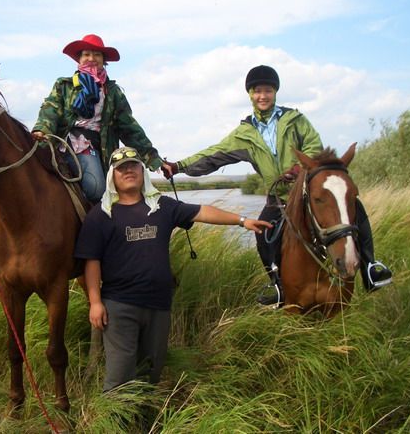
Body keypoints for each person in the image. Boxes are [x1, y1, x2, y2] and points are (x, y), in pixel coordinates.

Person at [162, 65, 392, 306]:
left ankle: (370, 267)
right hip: (278, 199)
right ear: (250, 94)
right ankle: (277, 285)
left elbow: (314, 146)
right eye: (257, 90)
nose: (263, 96)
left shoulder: (295, 120)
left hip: (306, 190)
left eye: (268, 90)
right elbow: (213, 154)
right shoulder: (244, 134)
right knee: (263, 233)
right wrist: (178, 166)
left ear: (275, 93)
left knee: (356, 211)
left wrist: (298, 168)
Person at [75, 146, 271, 391]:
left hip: (158, 305)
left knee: (150, 372)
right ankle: (115, 423)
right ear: (112, 176)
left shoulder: (161, 207)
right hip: (119, 306)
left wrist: (242, 221)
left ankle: (145, 423)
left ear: (142, 171)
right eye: (121, 168)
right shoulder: (102, 215)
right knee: (119, 379)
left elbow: (202, 212)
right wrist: (95, 302)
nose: (128, 171)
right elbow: (91, 262)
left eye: (133, 165)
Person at [32, 34, 162, 203]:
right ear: (79, 59)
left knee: (108, 190)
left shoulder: (113, 92)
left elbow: (129, 128)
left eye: (97, 55)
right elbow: (50, 110)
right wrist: (42, 130)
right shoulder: (64, 85)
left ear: (103, 60)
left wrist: (152, 158)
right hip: (70, 142)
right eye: (86, 54)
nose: (91, 58)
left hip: (102, 148)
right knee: (94, 188)